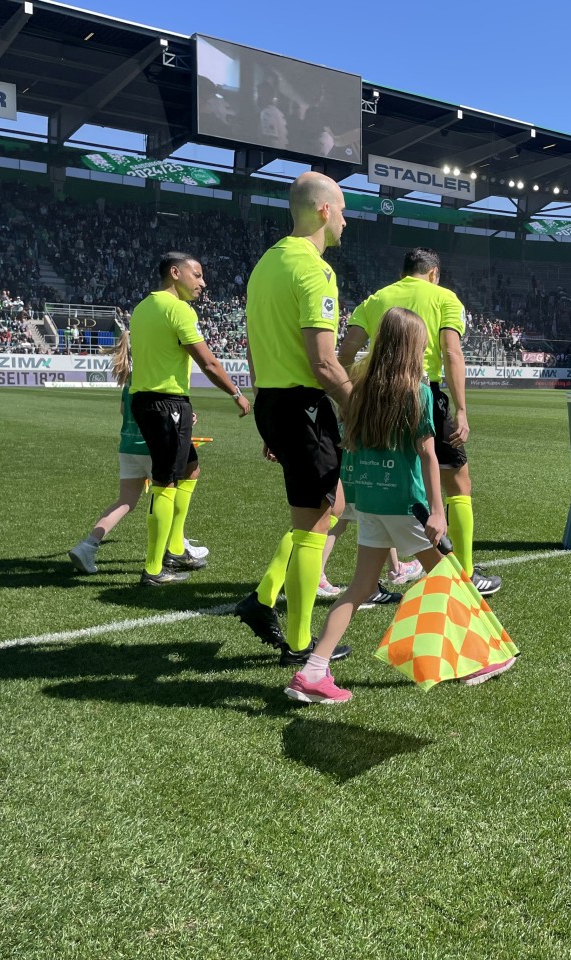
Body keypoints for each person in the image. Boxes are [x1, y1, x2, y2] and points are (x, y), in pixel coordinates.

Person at [286, 307, 514, 705]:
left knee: (359, 588)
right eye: (422, 343)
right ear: (411, 347)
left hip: (371, 503)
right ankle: (476, 661)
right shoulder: (417, 392)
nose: (425, 349)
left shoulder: (359, 388)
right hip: (407, 506)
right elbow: (428, 455)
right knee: (450, 580)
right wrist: (438, 511)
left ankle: (313, 669)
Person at [234, 172, 360, 666]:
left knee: (332, 507)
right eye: (343, 210)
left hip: (275, 401)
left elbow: (253, 347)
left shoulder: (265, 265)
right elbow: (324, 363)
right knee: (314, 527)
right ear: (325, 210)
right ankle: (301, 644)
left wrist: (270, 416)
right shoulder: (314, 270)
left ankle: (264, 597)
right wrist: (358, 407)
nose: (346, 221)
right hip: (302, 406)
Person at [341, 248, 501, 595]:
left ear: (403, 273)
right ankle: (466, 572)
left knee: (387, 479)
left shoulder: (377, 299)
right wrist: (461, 409)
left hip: (376, 395)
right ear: (434, 273)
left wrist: (355, 396)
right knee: (458, 483)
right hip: (422, 392)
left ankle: (375, 574)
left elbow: (346, 353)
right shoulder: (445, 298)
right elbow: (451, 351)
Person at [128, 253, 249, 586]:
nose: (202, 283)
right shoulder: (179, 310)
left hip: (148, 400)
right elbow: (208, 363)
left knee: (190, 468)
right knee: (165, 481)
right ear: (175, 272)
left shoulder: (142, 308)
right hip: (166, 403)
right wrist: (236, 393)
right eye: (197, 275)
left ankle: (176, 547)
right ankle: (154, 569)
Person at [67, 330, 209, 575]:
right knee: (168, 495)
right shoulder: (154, 377)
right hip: (153, 447)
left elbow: (125, 411)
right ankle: (176, 547)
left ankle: (88, 546)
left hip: (128, 446)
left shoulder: (130, 379)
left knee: (125, 502)